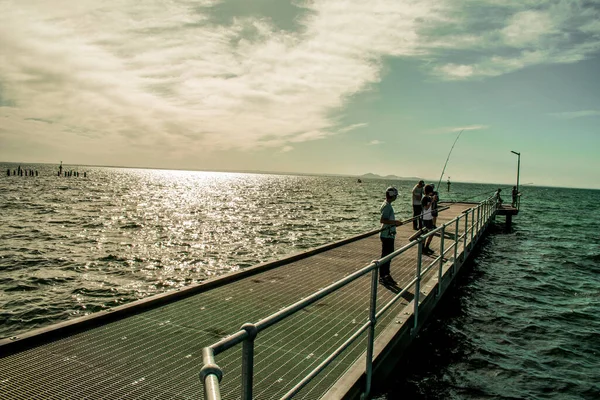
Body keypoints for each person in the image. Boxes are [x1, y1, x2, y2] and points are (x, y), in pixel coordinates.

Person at [379, 186, 403, 285]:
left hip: (389, 234)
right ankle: (383, 276)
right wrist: (395, 222)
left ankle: (386, 274)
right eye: (395, 195)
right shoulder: (387, 206)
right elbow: (383, 220)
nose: (396, 197)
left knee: (388, 255)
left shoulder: (387, 204)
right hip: (386, 234)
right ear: (392, 195)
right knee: (386, 255)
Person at [422, 185, 435, 254]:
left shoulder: (428, 198)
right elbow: (426, 208)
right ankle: (423, 248)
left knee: (432, 232)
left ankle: (426, 247)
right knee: (425, 233)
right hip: (425, 218)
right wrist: (431, 202)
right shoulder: (424, 198)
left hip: (429, 218)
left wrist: (432, 200)